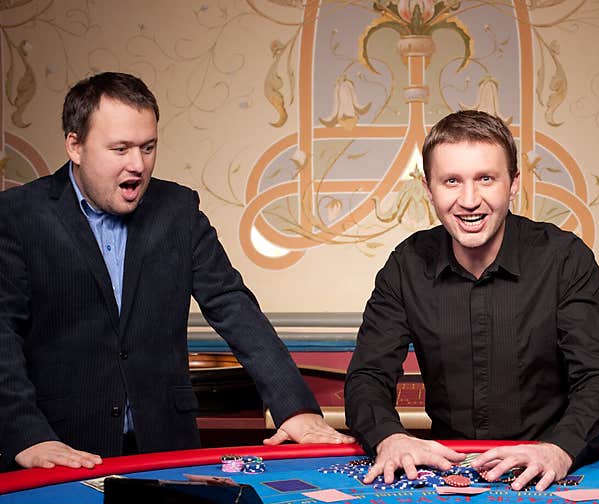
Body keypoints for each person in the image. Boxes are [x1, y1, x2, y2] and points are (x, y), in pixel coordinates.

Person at [0, 71, 354, 471]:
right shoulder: (17, 215)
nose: (137, 164)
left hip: (165, 447)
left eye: (148, 147)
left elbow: (233, 306)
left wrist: (294, 409)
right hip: (58, 448)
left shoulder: (179, 210)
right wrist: (26, 436)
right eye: (120, 149)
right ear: (75, 146)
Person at [344, 109, 599, 491]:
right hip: (448, 475)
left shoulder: (565, 260)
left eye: (486, 179)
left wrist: (559, 449)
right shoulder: (405, 265)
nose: (469, 200)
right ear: (429, 189)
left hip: (551, 471)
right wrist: (389, 437)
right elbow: (368, 376)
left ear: (513, 185)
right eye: (452, 181)